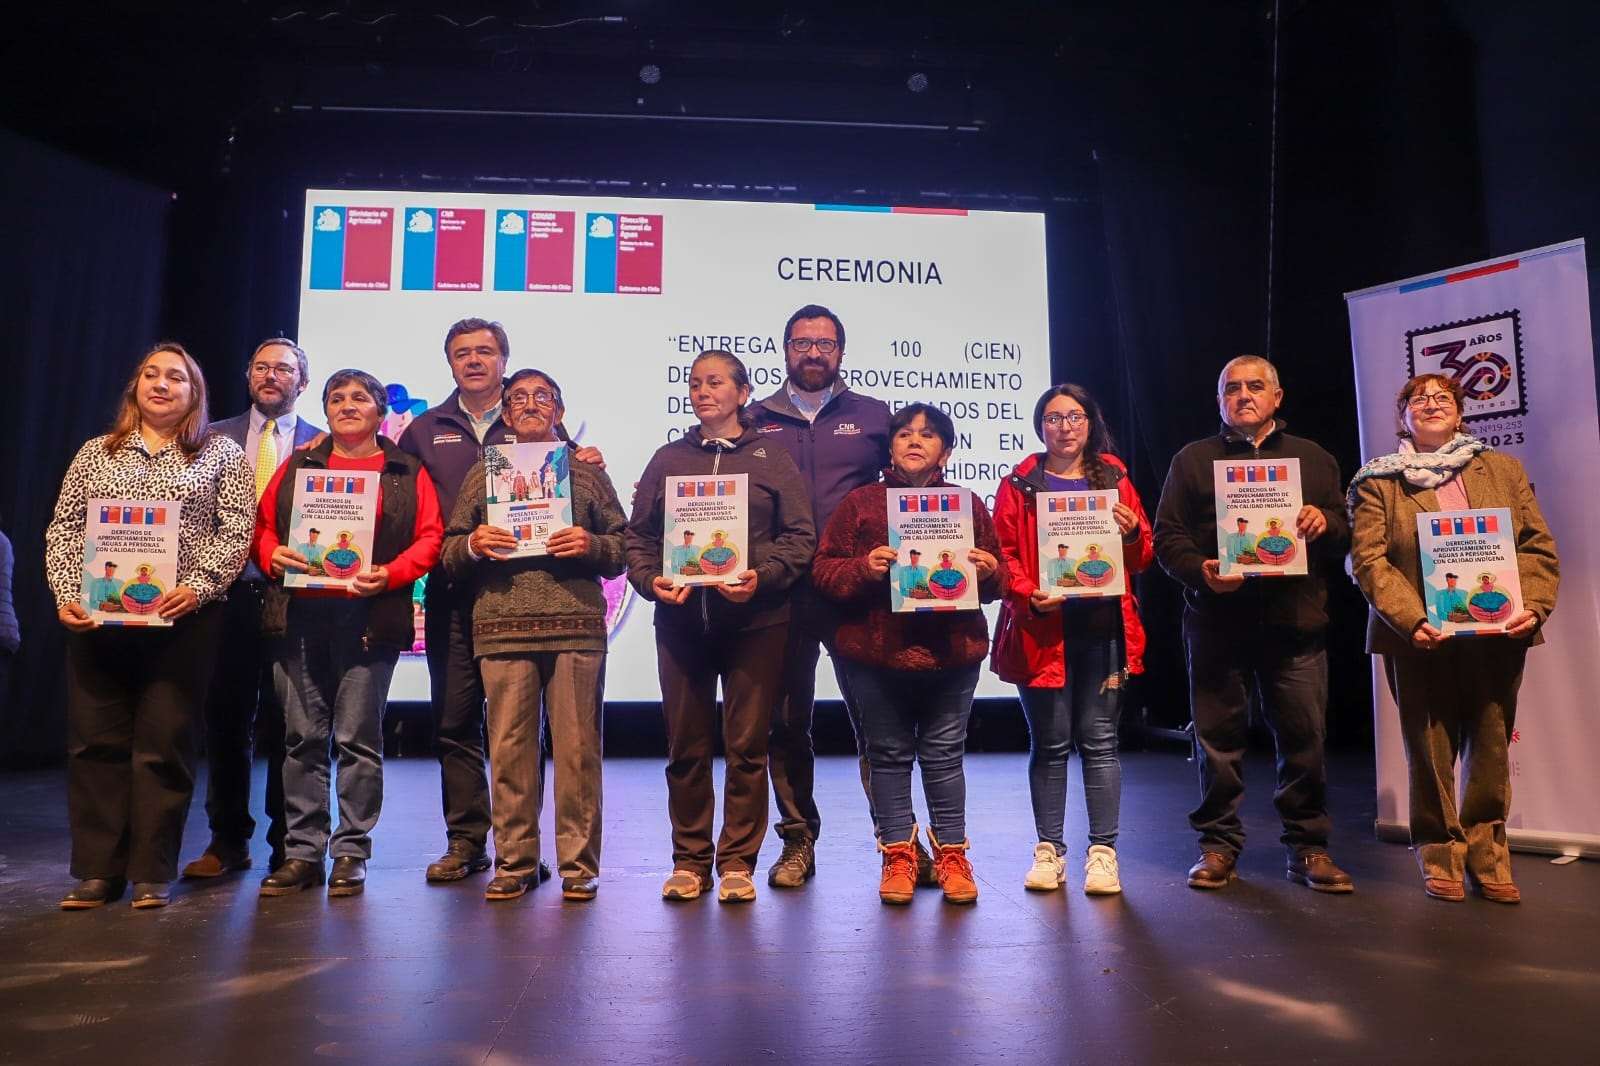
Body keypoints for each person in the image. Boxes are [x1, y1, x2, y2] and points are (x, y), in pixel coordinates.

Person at [45, 343, 253, 909]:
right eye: (151, 374)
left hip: (181, 623)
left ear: (195, 393)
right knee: (95, 744)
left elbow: (236, 532)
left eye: (177, 378)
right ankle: (98, 872)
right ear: (135, 385)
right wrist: (68, 595)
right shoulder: (97, 453)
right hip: (98, 621)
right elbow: (64, 530)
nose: (161, 385)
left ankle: (151, 871)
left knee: (164, 746)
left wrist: (202, 585)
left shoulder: (220, 454)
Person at [399, 318, 601, 885]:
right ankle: (472, 843)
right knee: (461, 723)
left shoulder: (567, 454)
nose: (473, 361)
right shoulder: (423, 430)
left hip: (546, 608)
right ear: (449, 363)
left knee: (548, 739)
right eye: (461, 353)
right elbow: (416, 509)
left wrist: (587, 510)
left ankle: (549, 857)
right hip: (466, 600)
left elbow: (614, 537)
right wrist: (468, 544)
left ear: (503, 359)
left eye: (484, 351)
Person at [1348, 373, 1558, 903]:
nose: (1432, 404)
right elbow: (1369, 560)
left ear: (1461, 413)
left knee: (1490, 747)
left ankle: (1489, 856)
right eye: (1419, 399)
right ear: (1404, 418)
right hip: (1417, 636)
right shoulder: (1379, 481)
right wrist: (1413, 618)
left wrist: (1532, 606)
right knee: (1428, 747)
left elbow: (1536, 546)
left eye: (1444, 398)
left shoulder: (1503, 469)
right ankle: (1439, 852)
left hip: (1497, 636)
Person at [1153, 355, 1354, 893]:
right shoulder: (1193, 460)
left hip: (1296, 624)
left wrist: (1324, 521)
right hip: (1217, 623)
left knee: (1305, 742)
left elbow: (1345, 528)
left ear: (1277, 397)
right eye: (1232, 388)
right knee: (1218, 743)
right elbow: (1167, 539)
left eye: (1255, 386)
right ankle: (1218, 846)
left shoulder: (1312, 458)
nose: (1243, 395)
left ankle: (1308, 847)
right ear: (1220, 400)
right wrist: (1202, 571)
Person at [626, 349, 815, 903]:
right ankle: (689, 861)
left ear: (742, 392)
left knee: (747, 747)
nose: (702, 391)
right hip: (682, 622)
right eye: (694, 383)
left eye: (715, 382)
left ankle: (736, 861)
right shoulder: (667, 459)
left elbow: (801, 537)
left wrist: (765, 575)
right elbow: (639, 537)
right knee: (686, 748)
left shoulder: (770, 456)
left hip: (757, 622)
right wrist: (648, 580)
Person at [255, 370, 442, 897]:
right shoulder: (300, 463)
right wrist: (272, 556)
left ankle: (351, 852)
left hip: (370, 618)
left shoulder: (406, 469)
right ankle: (301, 853)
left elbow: (430, 537)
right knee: (300, 739)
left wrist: (393, 573)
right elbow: (262, 527)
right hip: (299, 616)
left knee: (357, 740)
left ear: (381, 411)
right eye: (336, 398)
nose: (347, 406)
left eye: (359, 398)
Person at [442, 368, 627, 902]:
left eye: (541, 396)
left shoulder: (586, 473)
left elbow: (621, 548)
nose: (528, 404)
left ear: (559, 412)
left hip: (575, 626)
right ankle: (517, 863)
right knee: (509, 750)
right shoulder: (484, 473)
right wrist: (475, 542)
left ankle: (578, 866)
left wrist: (589, 544)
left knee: (577, 752)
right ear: (503, 413)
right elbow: (451, 552)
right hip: (500, 626)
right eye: (517, 397)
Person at [812, 403, 1004, 905]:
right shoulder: (860, 503)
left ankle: (953, 856)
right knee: (889, 757)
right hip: (875, 653)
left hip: (952, 653)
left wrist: (988, 573)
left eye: (929, 434)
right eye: (904, 434)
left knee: (943, 757)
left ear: (947, 448)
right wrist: (864, 567)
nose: (915, 441)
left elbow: (998, 579)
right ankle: (897, 853)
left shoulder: (966, 505)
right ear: (890, 445)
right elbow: (824, 571)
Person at [746, 303, 900, 890]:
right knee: (786, 725)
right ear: (784, 349)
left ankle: (898, 842)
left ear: (842, 352)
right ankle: (797, 841)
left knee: (878, 725)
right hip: (779, 593)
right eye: (802, 343)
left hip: (854, 590)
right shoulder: (754, 418)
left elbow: (914, 482)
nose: (814, 353)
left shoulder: (875, 417)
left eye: (825, 344)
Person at [990, 384, 1153, 895]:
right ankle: (1049, 850)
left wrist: (1129, 535)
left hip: (1104, 629)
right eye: (1054, 417)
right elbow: (1004, 553)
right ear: (1041, 426)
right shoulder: (1019, 483)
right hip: (1042, 630)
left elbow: (1141, 556)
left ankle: (1102, 852)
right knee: (1051, 743)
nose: (1065, 426)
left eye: (1075, 416)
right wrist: (1027, 593)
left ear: (1089, 423)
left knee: (1101, 744)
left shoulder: (1115, 477)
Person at [182, 337, 322, 881]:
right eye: (261, 367)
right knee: (226, 720)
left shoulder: (325, 443)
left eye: (283, 369)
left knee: (293, 723)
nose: (271, 376)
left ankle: (288, 843)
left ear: (302, 383)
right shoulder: (208, 439)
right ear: (247, 377)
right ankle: (227, 839)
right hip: (225, 595)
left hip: (298, 596)